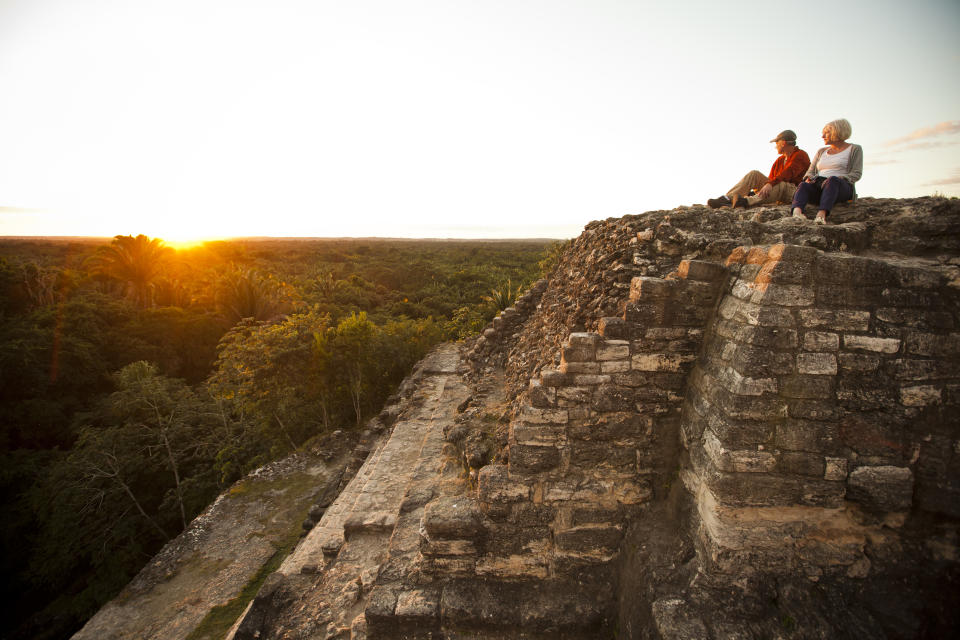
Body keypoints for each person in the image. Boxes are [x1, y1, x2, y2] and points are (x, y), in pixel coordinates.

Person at [706, 130, 810, 209]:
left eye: (776, 143)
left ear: (783, 143)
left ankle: (745, 201)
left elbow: (788, 174)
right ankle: (728, 198)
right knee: (754, 174)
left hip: (793, 192)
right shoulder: (780, 160)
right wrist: (767, 185)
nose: (775, 146)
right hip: (778, 189)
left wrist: (770, 184)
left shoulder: (800, 155)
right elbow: (772, 178)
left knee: (780, 183)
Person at [791, 118, 863, 224]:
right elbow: (810, 171)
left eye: (826, 133)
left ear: (837, 132)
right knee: (803, 185)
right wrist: (808, 178)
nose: (822, 136)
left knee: (832, 180)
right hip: (820, 185)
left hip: (840, 187)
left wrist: (841, 178)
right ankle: (797, 213)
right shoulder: (821, 151)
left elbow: (856, 173)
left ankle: (821, 215)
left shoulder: (855, 149)